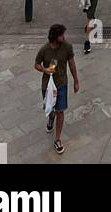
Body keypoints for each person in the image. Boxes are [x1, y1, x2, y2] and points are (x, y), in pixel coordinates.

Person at [34, 23, 79, 155]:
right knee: (50, 109)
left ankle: (57, 139)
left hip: (62, 84)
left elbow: (72, 64)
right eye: (61, 35)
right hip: (47, 86)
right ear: (55, 36)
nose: (63, 37)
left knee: (60, 111)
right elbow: (36, 64)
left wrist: (76, 80)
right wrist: (44, 70)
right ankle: (51, 117)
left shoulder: (67, 47)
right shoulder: (44, 50)